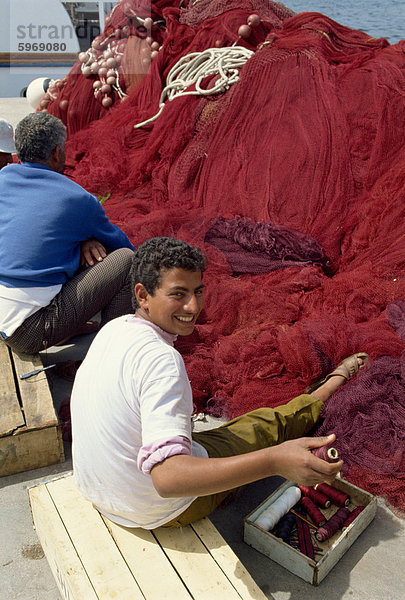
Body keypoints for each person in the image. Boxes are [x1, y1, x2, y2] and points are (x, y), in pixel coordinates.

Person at [71, 237, 367, 529]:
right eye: (178, 294)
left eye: (197, 291)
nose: (192, 307)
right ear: (143, 295)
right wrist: (274, 462)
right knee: (262, 427)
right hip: (155, 510)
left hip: (102, 492)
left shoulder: (114, 329)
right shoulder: (162, 360)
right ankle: (332, 384)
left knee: (210, 438)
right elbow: (168, 478)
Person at [0, 112, 135, 354]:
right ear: (56, 152)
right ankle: (111, 352)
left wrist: (83, 240)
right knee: (126, 261)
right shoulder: (78, 198)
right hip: (26, 331)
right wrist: (88, 237)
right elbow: (123, 247)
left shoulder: (2, 179)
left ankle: (68, 327)